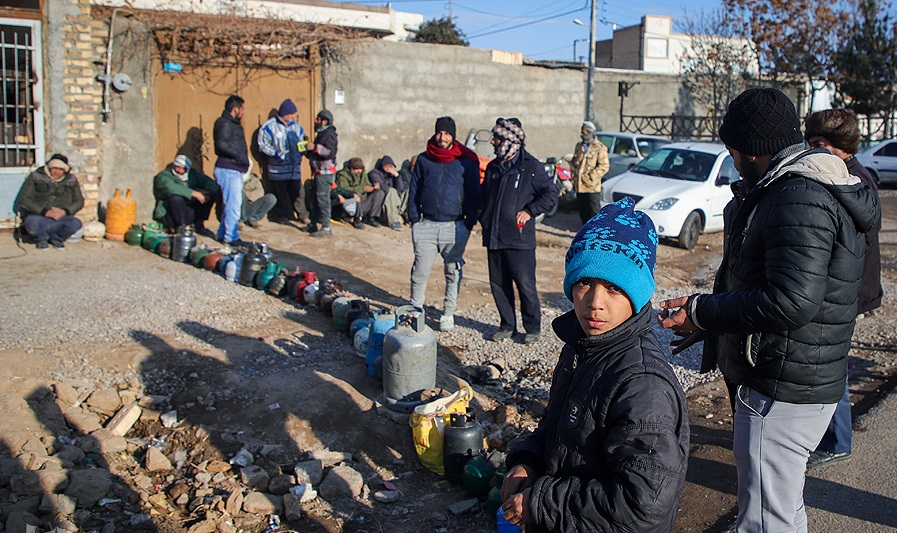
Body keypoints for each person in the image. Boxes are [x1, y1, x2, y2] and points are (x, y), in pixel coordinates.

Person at [658, 88, 879, 533]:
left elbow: (791, 300)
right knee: (781, 508)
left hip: (783, 385)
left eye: (733, 150)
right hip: (789, 372)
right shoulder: (784, 189)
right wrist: (713, 322)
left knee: (763, 520)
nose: (732, 159)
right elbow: (761, 280)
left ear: (752, 151)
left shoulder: (797, 196)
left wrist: (703, 311)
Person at [501, 198, 689, 532]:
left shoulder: (642, 384)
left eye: (615, 288)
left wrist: (540, 502)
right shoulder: (584, 346)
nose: (594, 304)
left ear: (637, 294)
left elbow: (642, 506)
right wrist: (527, 460)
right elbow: (558, 429)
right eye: (585, 282)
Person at [804, 108, 883, 468]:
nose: (813, 150)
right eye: (810, 143)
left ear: (843, 146)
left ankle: (837, 441)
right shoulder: (845, 175)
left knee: (831, 366)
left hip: (845, 293)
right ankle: (830, 435)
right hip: (846, 291)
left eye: (819, 144)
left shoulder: (851, 181)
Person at [479, 118, 557, 344]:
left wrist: (530, 211)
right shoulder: (494, 167)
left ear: (510, 140)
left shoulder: (531, 166)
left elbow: (550, 194)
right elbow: (485, 198)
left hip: (519, 240)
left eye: (497, 138)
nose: (493, 142)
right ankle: (507, 326)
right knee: (498, 285)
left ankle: (532, 328)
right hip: (494, 238)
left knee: (525, 286)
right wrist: (483, 218)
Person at [407, 116, 480, 331]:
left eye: (447, 133)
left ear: (453, 136)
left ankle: (448, 313)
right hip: (426, 225)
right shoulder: (423, 159)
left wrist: (469, 222)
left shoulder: (464, 161)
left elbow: (474, 192)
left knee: (452, 271)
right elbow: (414, 189)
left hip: (455, 226)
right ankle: (415, 309)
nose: (442, 138)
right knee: (420, 270)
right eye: (440, 132)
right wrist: (414, 219)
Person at [257, 98, 309, 224]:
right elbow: (262, 144)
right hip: (277, 169)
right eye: (291, 114)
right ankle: (282, 216)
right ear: (284, 113)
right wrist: (276, 154)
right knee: (280, 194)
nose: (293, 116)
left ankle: (303, 215)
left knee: (298, 193)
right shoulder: (269, 127)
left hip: (294, 169)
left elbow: (302, 143)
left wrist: (303, 151)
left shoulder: (297, 127)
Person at [17, 155, 84, 249]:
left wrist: (64, 211)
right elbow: (24, 198)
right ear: (49, 167)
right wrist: (44, 211)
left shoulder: (71, 180)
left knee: (75, 223)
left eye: (60, 169)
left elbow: (79, 201)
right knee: (31, 223)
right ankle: (41, 238)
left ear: (65, 170)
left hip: (61, 218)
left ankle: (56, 238)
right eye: (54, 168)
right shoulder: (36, 176)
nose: (57, 171)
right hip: (39, 216)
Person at [213, 95, 250, 246]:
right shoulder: (225, 123)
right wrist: (239, 156)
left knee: (229, 204)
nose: (243, 112)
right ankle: (231, 237)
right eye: (242, 109)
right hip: (228, 169)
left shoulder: (232, 124)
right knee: (233, 205)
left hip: (233, 168)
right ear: (235, 109)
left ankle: (223, 234)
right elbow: (221, 144)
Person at [152, 154, 218, 234]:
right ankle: (180, 227)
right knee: (176, 198)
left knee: (209, 195)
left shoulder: (192, 175)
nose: (179, 171)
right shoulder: (163, 176)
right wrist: (194, 193)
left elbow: (210, 183)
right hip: (170, 214)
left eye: (183, 168)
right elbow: (172, 188)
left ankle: (198, 224)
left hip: (188, 210)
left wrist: (207, 192)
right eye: (177, 167)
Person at [304, 109, 338, 238]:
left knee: (323, 200)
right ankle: (313, 224)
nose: (315, 122)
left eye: (318, 119)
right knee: (316, 200)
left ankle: (326, 227)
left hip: (325, 174)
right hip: (318, 173)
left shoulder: (329, 135)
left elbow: (330, 152)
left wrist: (314, 147)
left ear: (325, 121)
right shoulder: (322, 134)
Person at [570, 121, 610, 225]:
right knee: (583, 213)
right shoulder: (579, 146)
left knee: (594, 213)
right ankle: (585, 234)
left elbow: (604, 166)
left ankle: (595, 236)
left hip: (592, 187)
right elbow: (575, 162)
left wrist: (591, 176)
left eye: (585, 133)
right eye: (582, 133)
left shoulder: (600, 148)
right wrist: (574, 176)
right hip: (579, 186)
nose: (583, 135)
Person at [335, 157, 386, 228]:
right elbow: (343, 189)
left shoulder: (363, 174)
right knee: (356, 193)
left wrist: (374, 187)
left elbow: (367, 184)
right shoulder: (342, 174)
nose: (359, 171)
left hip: (363, 202)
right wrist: (362, 189)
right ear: (351, 168)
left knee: (379, 193)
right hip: (351, 204)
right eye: (357, 169)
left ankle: (371, 217)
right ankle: (357, 219)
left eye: (360, 169)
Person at [368, 155, 408, 231]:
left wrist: (397, 176)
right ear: (383, 165)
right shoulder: (374, 173)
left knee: (408, 191)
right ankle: (394, 221)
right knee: (391, 191)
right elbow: (385, 188)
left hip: (395, 205)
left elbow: (401, 189)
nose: (390, 168)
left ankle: (405, 217)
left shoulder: (392, 175)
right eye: (388, 166)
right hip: (384, 207)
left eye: (392, 166)